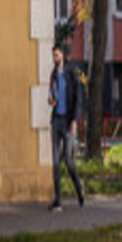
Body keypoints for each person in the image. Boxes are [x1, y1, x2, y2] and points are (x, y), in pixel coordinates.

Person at [48, 44, 85, 211]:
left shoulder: (71, 73)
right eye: (53, 56)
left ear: (63, 55)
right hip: (56, 121)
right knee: (56, 162)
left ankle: (80, 191)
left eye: (57, 55)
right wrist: (51, 101)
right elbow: (52, 94)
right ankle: (58, 201)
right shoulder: (53, 75)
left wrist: (75, 121)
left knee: (68, 161)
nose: (55, 59)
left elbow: (78, 98)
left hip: (68, 122)